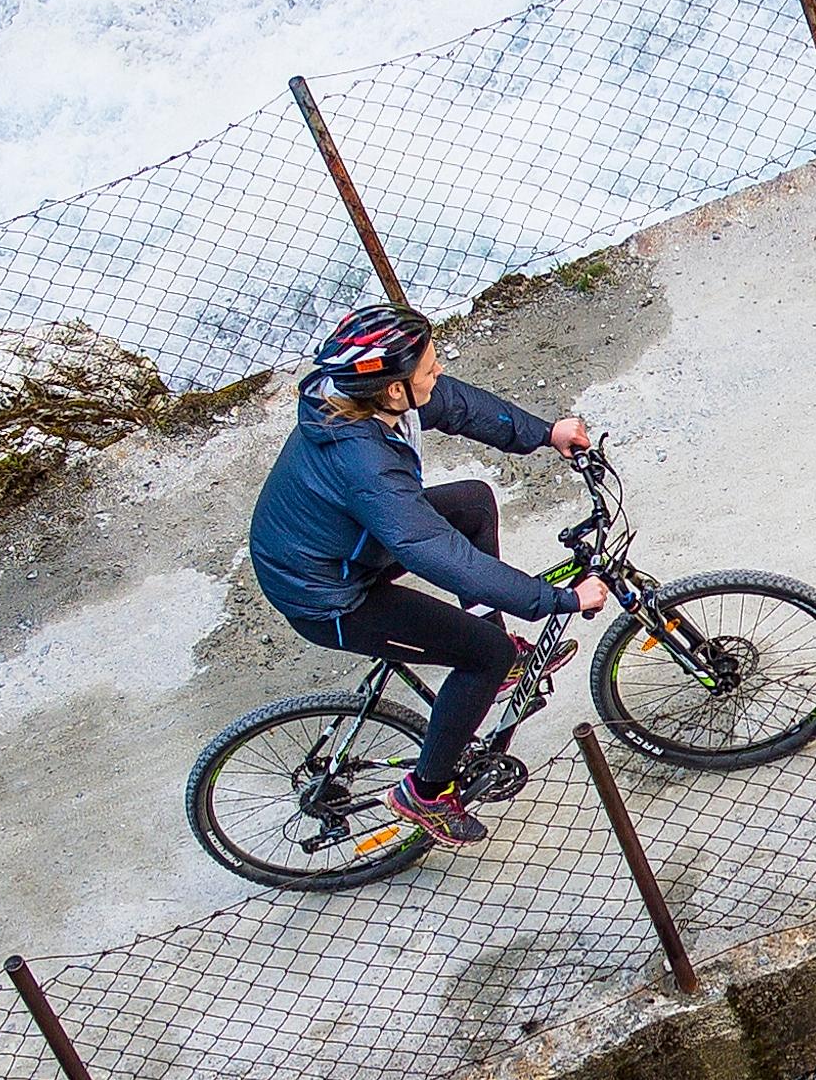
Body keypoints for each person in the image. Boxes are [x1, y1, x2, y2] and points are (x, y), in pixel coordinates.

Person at [246, 302, 605, 845]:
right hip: (328, 595)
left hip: (343, 546)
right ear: (394, 389)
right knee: (485, 656)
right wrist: (555, 599)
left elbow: (456, 404)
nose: (438, 373)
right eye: (429, 369)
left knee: (474, 503)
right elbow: (436, 553)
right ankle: (426, 792)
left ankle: (495, 641)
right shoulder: (362, 461)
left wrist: (544, 433)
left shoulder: (367, 400)